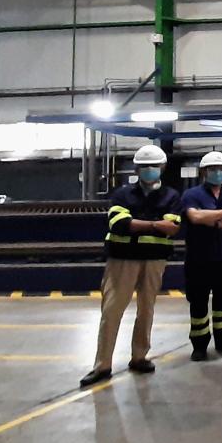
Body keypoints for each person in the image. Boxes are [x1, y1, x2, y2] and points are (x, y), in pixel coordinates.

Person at [80, 145, 182, 387]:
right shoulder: (122, 194)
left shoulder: (172, 196)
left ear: (163, 168)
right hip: (122, 260)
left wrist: (139, 223)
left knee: (147, 309)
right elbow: (118, 224)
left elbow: (173, 227)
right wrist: (156, 224)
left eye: (154, 166)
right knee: (112, 311)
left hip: (154, 260)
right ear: (136, 168)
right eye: (145, 166)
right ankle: (102, 365)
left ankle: (140, 357)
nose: (149, 170)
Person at [181, 152, 222, 361]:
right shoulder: (191, 195)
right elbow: (195, 216)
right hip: (199, 258)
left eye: (221, 169)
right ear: (204, 172)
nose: (218, 173)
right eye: (213, 169)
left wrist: (214, 221)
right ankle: (199, 345)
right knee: (199, 302)